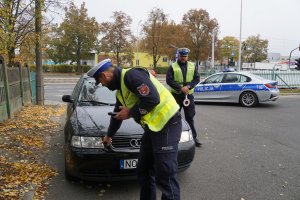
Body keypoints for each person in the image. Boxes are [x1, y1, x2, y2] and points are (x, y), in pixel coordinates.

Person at [87, 59, 182, 200]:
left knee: (165, 175)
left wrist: (131, 113)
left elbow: (152, 99)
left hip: (168, 125)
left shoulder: (132, 76)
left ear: (104, 76)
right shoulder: (120, 91)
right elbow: (117, 115)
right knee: (143, 171)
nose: (103, 85)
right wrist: (109, 136)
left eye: (101, 82)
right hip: (152, 130)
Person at [166, 47, 202, 147]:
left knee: (190, 117)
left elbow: (197, 78)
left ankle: (193, 138)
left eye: (185, 56)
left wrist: (188, 86)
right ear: (179, 56)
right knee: (173, 117)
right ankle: (172, 138)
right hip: (176, 95)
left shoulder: (192, 65)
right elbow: (169, 80)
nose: (183, 58)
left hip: (188, 95)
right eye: (181, 56)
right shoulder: (172, 66)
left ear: (187, 56)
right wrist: (180, 88)